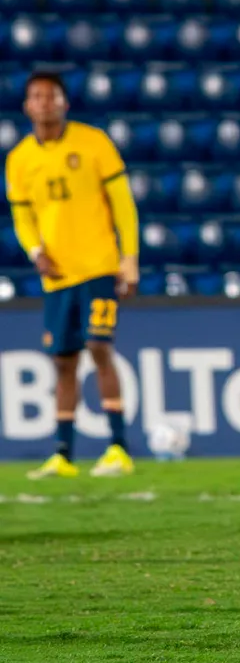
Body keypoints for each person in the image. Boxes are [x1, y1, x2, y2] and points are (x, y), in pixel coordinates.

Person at [7, 71, 140, 479]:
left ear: (65, 103)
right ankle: (63, 454)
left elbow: (123, 203)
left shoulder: (94, 142)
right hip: (58, 278)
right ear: (27, 106)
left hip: (98, 267)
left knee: (99, 347)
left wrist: (129, 258)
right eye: (37, 96)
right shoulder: (19, 159)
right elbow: (22, 216)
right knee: (63, 362)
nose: (45, 102)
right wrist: (36, 252)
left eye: (52, 95)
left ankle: (118, 449)